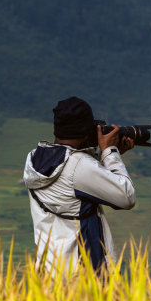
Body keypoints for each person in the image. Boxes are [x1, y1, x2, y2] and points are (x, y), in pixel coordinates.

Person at [20, 96, 136, 272]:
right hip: (83, 275)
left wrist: (105, 158)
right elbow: (126, 197)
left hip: (49, 272)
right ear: (87, 131)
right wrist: (111, 153)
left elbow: (73, 183)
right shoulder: (79, 165)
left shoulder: (35, 159)